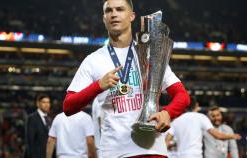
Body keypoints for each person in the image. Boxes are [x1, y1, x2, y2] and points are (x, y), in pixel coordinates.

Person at [63, 0, 191, 157]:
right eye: (109, 11)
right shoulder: (93, 60)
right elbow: (68, 106)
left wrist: (168, 113)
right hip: (114, 152)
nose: (114, 14)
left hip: (152, 150)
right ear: (104, 18)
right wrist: (98, 86)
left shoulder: (151, 54)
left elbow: (183, 96)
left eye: (120, 9)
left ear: (132, 16)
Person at [165, 97, 241, 158]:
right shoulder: (201, 117)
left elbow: (166, 142)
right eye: (213, 116)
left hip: (180, 155)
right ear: (197, 105)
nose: (216, 118)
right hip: (195, 155)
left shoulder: (177, 121)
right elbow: (218, 136)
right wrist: (233, 136)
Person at [25, 94, 53, 158]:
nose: (46, 105)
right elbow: (30, 141)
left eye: (48, 102)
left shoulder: (49, 120)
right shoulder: (32, 118)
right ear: (38, 104)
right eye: (44, 102)